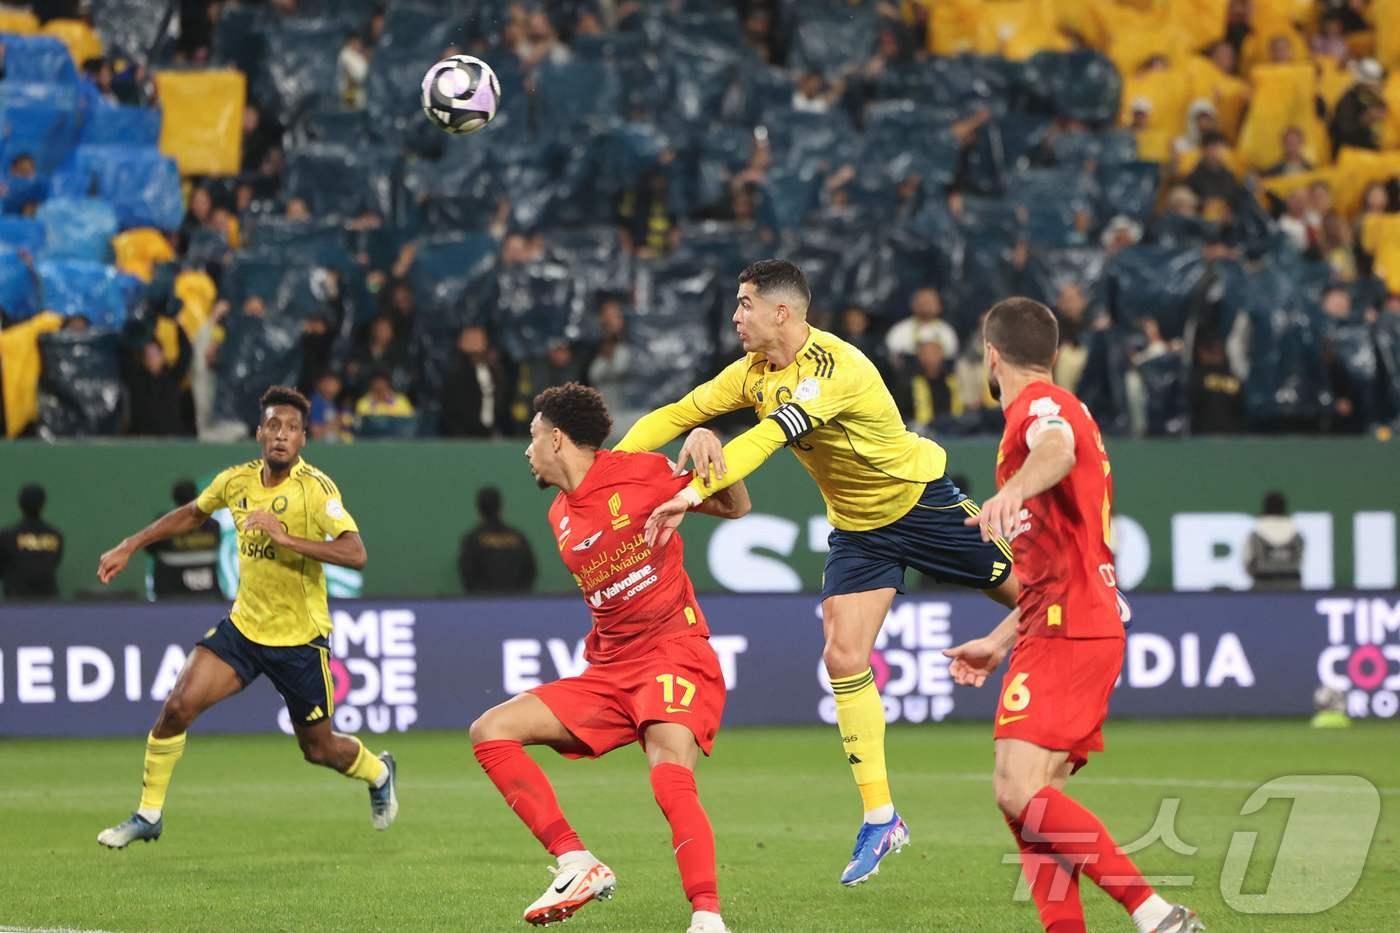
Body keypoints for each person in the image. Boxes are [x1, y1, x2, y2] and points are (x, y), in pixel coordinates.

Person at [618, 260, 1017, 885]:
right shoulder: (752, 372)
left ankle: (1092, 587)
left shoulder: (835, 369)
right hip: (860, 530)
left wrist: (690, 496)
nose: (736, 315)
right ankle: (882, 817)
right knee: (842, 655)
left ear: (783, 312)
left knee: (1037, 594)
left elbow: (763, 442)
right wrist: (610, 469)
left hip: (919, 501)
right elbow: (676, 413)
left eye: (745, 303)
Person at [943, 297, 1202, 933]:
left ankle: (1155, 912)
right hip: (1059, 619)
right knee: (1030, 798)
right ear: (1054, 354)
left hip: (1070, 625)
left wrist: (1009, 490)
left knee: (1017, 789)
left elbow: (1054, 448)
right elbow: (1054, 557)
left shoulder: (1040, 409)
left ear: (991, 356)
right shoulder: (1057, 408)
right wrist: (1000, 641)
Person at [469, 384, 749, 933]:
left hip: (673, 651)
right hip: (608, 671)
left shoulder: (640, 472)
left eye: (531, 438)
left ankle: (708, 918)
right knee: (490, 730)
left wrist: (713, 448)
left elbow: (735, 506)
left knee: (668, 777)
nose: (527, 451)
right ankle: (576, 862)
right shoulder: (558, 516)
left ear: (556, 438)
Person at [93, 386, 398, 848]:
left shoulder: (315, 490)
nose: (281, 435)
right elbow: (193, 514)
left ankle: (378, 772)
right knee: (176, 707)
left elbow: (356, 553)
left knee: (318, 749)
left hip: (299, 641)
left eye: (292, 429)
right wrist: (130, 545)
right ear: (259, 432)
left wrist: (287, 538)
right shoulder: (236, 481)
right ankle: (148, 814)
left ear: (302, 439)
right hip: (244, 629)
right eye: (274, 426)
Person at [146, 480, 221, 600]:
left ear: (174, 498)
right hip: (201, 595)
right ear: (197, 496)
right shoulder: (213, 526)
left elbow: (149, 548)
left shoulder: (164, 524)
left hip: (174, 594)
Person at [459, 486, 537, 594]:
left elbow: (467, 574)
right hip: (517, 602)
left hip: (482, 604)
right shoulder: (518, 538)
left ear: (479, 509)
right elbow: (530, 571)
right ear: (501, 508)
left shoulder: (472, 540)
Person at [0, 483, 63, 599]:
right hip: (48, 602)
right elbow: (54, 562)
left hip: (16, 603)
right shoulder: (55, 536)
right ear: (43, 504)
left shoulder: (7, 536)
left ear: (19, 503)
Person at [126, 327, 193, 437]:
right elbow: (127, 355)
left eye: (154, 353)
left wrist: (176, 325)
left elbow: (186, 352)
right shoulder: (136, 379)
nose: (151, 357)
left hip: (170, 439)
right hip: (141, 440)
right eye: (147, 354)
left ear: (162, 356)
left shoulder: (173, 377)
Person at [440, 325, 503, 438]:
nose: (475, 343)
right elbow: (450, 409)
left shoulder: (495, 371)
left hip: (491, 434)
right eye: (471, 340)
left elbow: (502, 403)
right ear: (461, 343)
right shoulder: (454, 373)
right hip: (461, 437)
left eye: (479, 339)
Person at [1243, 491, 1304, 590]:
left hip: (1262, 588)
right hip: (1292, 588)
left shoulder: (1255, 534)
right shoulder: (1297, 535)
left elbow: (1247, 563)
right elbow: (1299, 561)